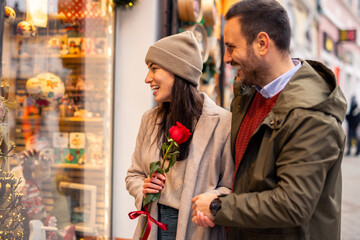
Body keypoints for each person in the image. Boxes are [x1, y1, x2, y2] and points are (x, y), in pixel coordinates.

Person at [191, 1, 348, 239]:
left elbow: (293, 204)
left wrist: (218, 206)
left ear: (262, 43)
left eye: (232, 47)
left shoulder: (310, 115)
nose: (226, 58)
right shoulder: (248, 94)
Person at [125, 31, 234, 240]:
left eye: (154, 68)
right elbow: (134, 175)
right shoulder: (150, 120)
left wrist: (213, 201)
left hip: (198, 229)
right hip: (153, 226)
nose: (147, 78)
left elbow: (231, 186)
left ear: (179, 71)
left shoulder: (223, 122)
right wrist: (143, 188)